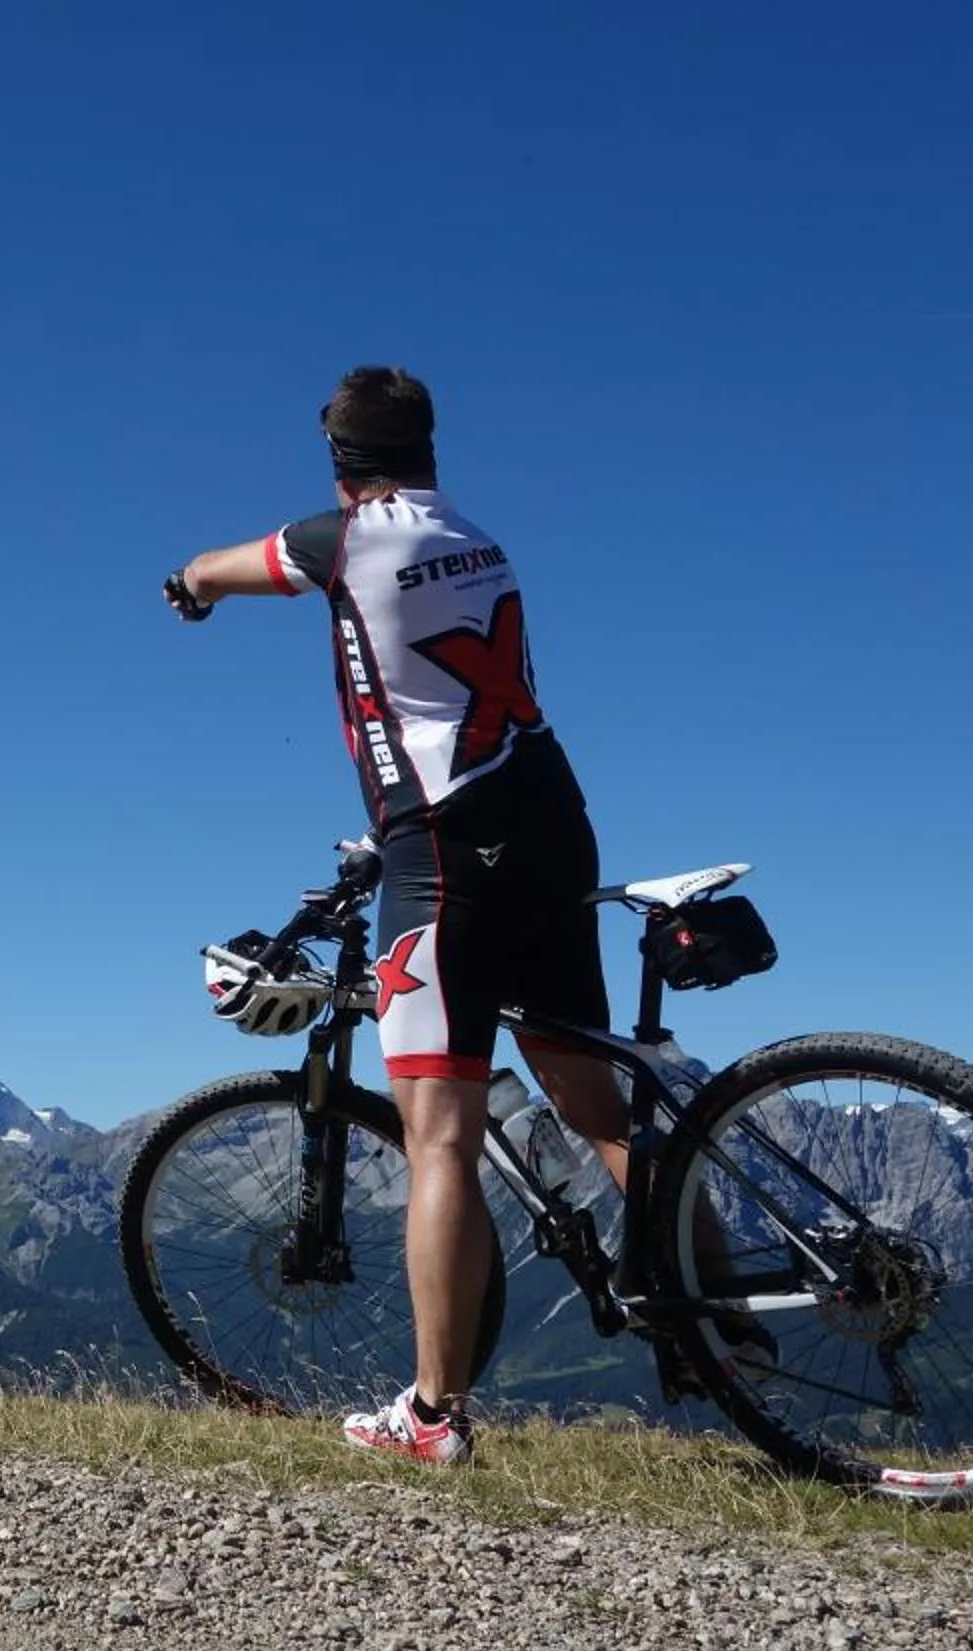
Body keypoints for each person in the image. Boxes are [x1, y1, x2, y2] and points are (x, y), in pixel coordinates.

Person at [162, 365, 630, 1467]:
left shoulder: (345, 539)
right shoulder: (478, 538)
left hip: (449, 849)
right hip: (554, 822)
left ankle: (431, 1414)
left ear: (341, 461)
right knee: (601, 1112)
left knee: (440, 1136)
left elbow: (224, 568)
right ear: (429, 448)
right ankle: (722, 1327)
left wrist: (188, 584)